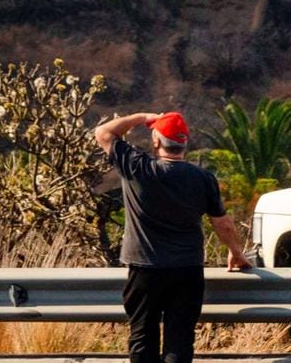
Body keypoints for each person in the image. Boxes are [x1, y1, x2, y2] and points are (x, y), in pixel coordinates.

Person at [93, 110, 252, 363]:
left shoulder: (138, 167)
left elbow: (103, 133)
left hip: (145, 269)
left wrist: (140, 117)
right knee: (179, 339)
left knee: (143, 335)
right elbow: (223, 224)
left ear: (156, 141)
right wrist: (236, 253)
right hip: (187, 269)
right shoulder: (203, 178)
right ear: (184, 145)